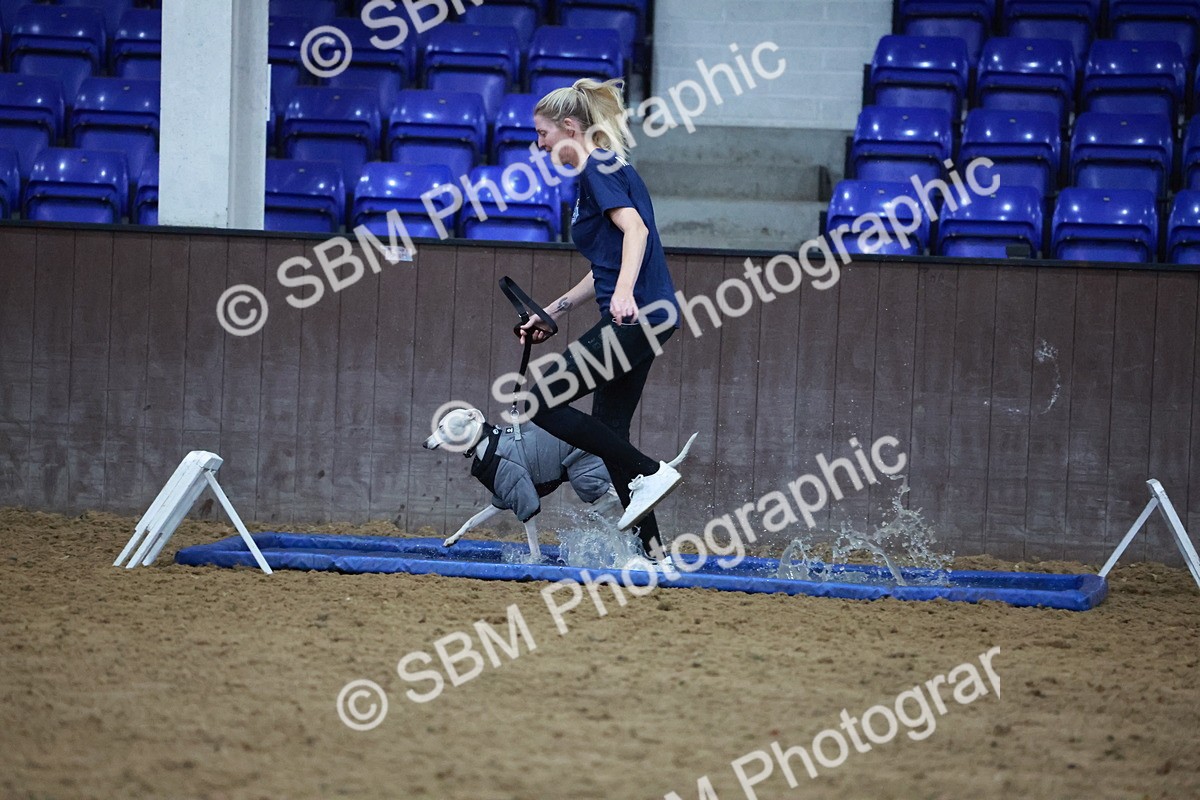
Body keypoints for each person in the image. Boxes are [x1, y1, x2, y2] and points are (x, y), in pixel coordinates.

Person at [518, 76, 691, 563]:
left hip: (636, 317)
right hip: (649, 316)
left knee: (541, 401)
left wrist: (622, 295)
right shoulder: (601, 171)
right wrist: (550, 312)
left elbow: (634, 231)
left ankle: (650, 471)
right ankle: (655, 554)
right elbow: (605, 262)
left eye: (542, 134)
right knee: (609, 430)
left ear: (569, 126)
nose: (539, 144)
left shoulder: (598, 166)